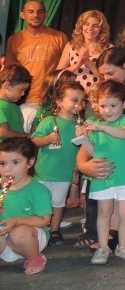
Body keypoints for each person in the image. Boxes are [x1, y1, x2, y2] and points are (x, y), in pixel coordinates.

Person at [82, 80, 125, 264]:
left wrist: (101, 127)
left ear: (124, 103)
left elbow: (124, 134)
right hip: (103, 177)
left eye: (113, 105)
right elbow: (92, 151)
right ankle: (103, 247)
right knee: (104, 213)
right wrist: (83, 137)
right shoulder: (95, 125)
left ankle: (123, 246)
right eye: (103, 106)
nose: (108, 110)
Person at [30, 81, 85, 245]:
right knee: (41, 203)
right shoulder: (49, 121)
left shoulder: (80, 124)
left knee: (58, 203)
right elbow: (34, 140)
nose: (79, 104)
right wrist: (47, 139)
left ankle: (54, 230)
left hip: (64, 173)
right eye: (74, 100)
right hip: (44, 172)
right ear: (60, 101)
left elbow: (83, 148)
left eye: (82, 100)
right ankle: (39, 229)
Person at [4, 0, 68, 132]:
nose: (35, 15)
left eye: (40, 12)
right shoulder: (14, 40)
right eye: (30, 11)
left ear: (46, 14)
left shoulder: (59, 38)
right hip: (22, 100)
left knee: (48, 139)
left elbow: (66, 71)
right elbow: (9, 73)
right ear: (22, 15)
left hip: (50, 100)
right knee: (24, 140)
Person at [0, 137, 52, 274]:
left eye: (15, 162)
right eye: (2, 163)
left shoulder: (38, 190)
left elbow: (44, 220)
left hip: (30, 237)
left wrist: (17, 221)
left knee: (19, 233)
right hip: (5, 236)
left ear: (30, 162)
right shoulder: (1, 187)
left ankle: (34, 258)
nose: (7, 169)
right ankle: (8, 256)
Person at [56, 10, 112, 94]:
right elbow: (57, 75)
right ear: (81, 26)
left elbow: (109, 79)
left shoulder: (108, 49)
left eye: (95, 25)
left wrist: (88, 63)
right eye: (87, 24)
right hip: (72, 96)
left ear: (101, 29)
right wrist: (77, 65)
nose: (90, 28)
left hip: (97, 96)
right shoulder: (71, 46)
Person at [0, 65, 31, 142]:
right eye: (21, 90)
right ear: (7, 86)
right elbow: (3, 132)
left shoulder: (12, 104)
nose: (23, 94)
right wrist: (24, 135)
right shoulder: (1, 105)